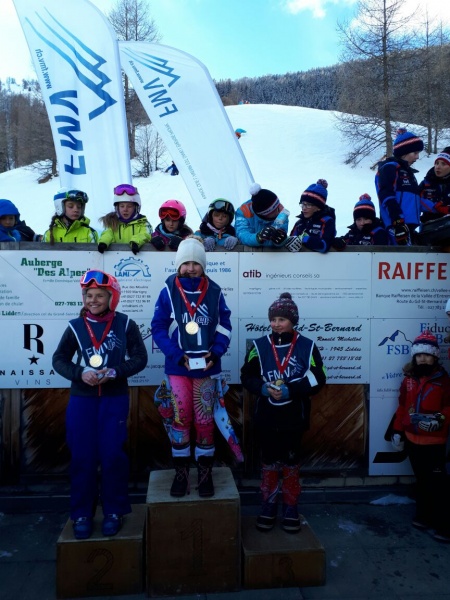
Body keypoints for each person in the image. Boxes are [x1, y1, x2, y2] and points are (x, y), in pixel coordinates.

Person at [52, 270, 148, 540]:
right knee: (82, 457)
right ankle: (82, 513)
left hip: (114, 398)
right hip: (82, 400)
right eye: (89, 295)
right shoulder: (75, 326)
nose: (93, 300)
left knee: (112, 456)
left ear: (111, 298)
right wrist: (80, 373)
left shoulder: (126, 324)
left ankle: (114, 511)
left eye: (99, 296)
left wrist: (116, 371)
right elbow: (59, 359)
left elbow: (140, 358)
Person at [151, 236, 232, 498]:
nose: (190, 268)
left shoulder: (215, 291)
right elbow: (158, 327)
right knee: (181, 418)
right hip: (179, 368)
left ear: (203, 266)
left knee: (205, 420)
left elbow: (225, 326)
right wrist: (176, 355)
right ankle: (181, 474)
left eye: (196, 263)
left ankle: (205, 474)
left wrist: (216, 352)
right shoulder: (168, 290)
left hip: (207, 368)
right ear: (178, 265)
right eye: (185, 263)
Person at [241, 293, 326, 533]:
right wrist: (263, 388)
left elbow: (319, 377)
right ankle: (268, 505)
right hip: (267, 416)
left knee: (291, 462)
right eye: (273, 319)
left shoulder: (307, 345)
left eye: (282, 319)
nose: (276, 324)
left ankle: (290, 506)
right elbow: (247, 375)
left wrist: (292, 390)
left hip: (294, 418)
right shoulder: (259, 346)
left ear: (293, 321)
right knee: (268, 462)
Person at [391, 330, 450, 542]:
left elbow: (448, 407)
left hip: (434, 442)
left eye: (427, 355)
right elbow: (402, 406)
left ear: (435, 357)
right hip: (412, 439)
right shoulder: (409, 380)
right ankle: (425, 516)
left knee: (437, 482)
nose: (423, 359)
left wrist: (439, 420)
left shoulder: (443, 381)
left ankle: (444, 524)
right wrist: (398, 431)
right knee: (422, 480)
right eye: (419, 355)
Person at [375, 128, 424, 245]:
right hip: (396, 226)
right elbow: (386, 195)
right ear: (404, 152)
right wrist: (397, 221)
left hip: (409, 226)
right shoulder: (390, 168)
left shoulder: (408, 172)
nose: (417, 157)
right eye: (415, 153)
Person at [97, 184, 152, 255]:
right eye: (122, 206)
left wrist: (136, 242)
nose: (125, 209)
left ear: (136, 208)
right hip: (116, 259)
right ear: (117, 208)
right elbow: (108, 234)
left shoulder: (143, 223)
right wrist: (103, 242)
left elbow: (146, 234)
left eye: (129, 206)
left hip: (137, 258)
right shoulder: (113, 223)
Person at [285, 179, 336, 253]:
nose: (304, 208)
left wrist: (303, 239)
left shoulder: (327, 221)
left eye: (308, 205)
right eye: (303, 204)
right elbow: (290, 241)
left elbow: (323, 246)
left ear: (318, 207)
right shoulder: (299, 223)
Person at [234, 183, 289, 248]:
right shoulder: (243, 212)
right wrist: (258, 237)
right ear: (266, 214)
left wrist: (281, 241)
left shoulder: (282, 215)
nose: (282, 208)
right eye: (277, 208)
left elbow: (279, 240)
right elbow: (242, 236)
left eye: (279, 204)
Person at [419, 148, 450, 224]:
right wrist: (434, 206)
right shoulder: (426, 182)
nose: (438, 167)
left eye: (443, 164)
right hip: (429, 225)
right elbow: (415, 199)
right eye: (437, 163)